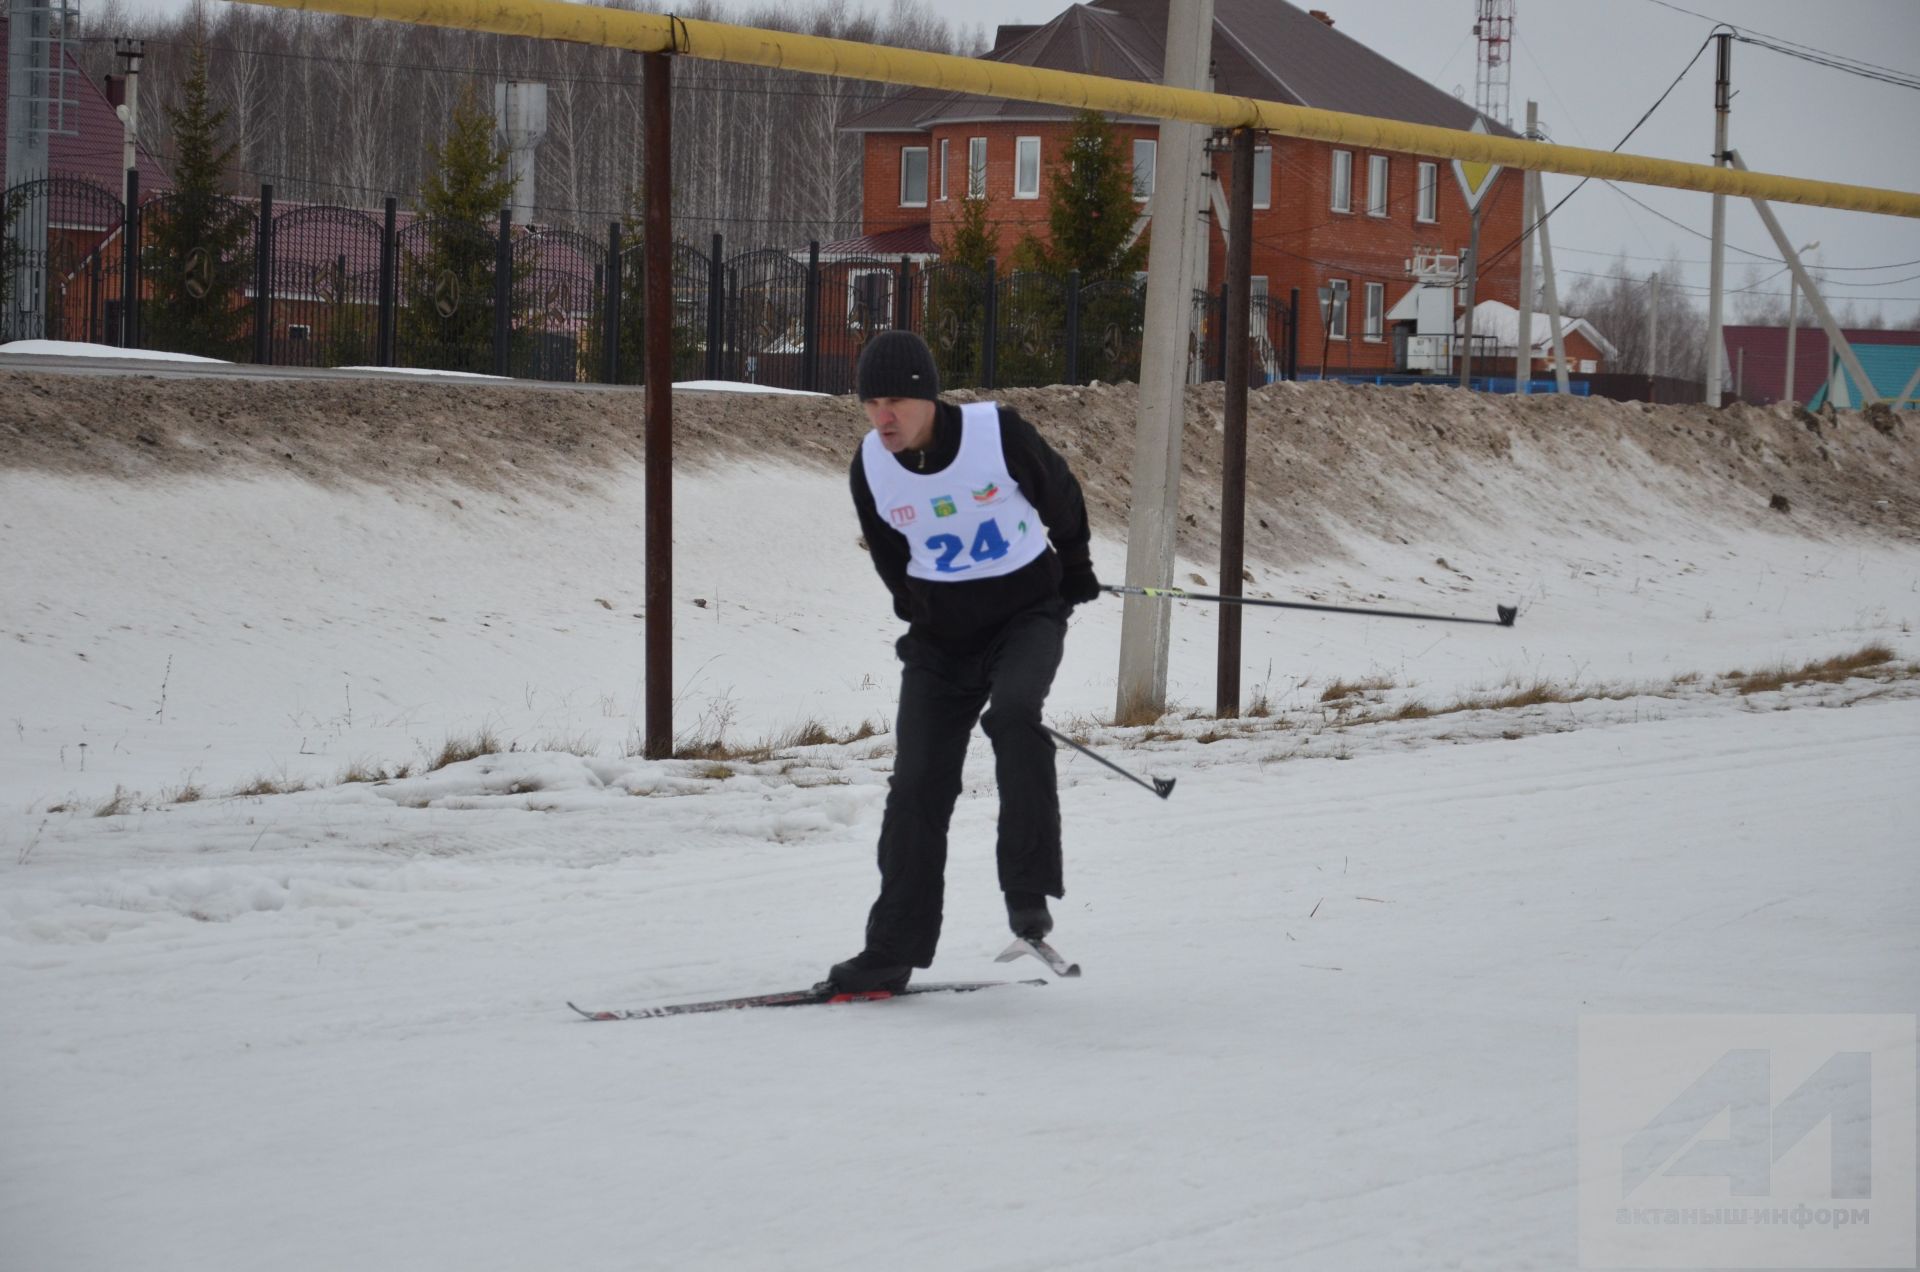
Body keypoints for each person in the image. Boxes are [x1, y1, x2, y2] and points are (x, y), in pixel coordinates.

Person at [828, 330, 1101, 993]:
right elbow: (891, 556)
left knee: (1012, 717)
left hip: (1026, 617)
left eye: (894, 400)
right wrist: (921, 611)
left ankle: (1028, 896)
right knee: (917, 787)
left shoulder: (994, 434)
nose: (881, 416)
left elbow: (1059, 497)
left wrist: (1077, 569)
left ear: (926, 397)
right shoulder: (870, 464)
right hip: (942, 642)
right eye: (870, 402)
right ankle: (891, 950)